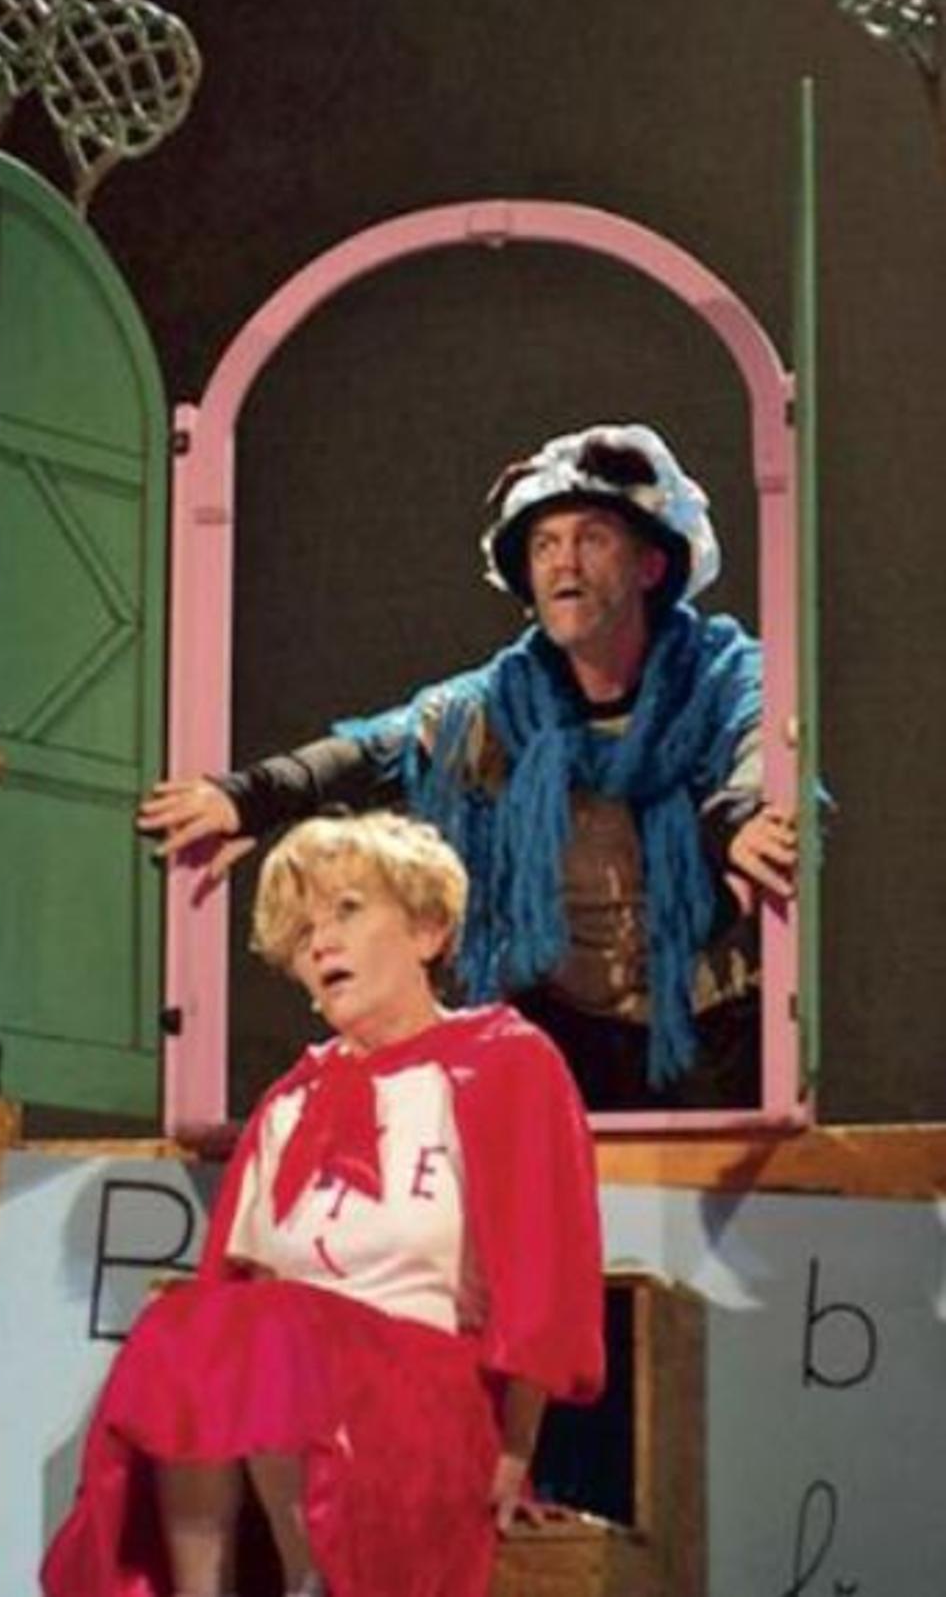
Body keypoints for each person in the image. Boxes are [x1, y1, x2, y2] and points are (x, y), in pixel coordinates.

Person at [139, 424, 798, 1110]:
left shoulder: (718, 674)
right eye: (545, 545)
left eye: (593, 539)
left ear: (650, 565)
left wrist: (741, 814)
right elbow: (380, 747)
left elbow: (769, 734)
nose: (565, 564)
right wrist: (250, 798)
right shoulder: (506, 696)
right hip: (566, 1023)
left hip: (708, 1021)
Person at [42, 812, 604, 1597]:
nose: (321, 943)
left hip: (435, 1399)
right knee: (189, 1323)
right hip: (295, 1412)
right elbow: (230, 1296)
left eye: (347, 910)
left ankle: (316, 1576)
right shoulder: (289, 1102)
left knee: (274, 1327)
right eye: (303, 931)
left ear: (428, 931)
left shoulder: (505, 1063)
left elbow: (545, 1268)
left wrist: (516, 1451)